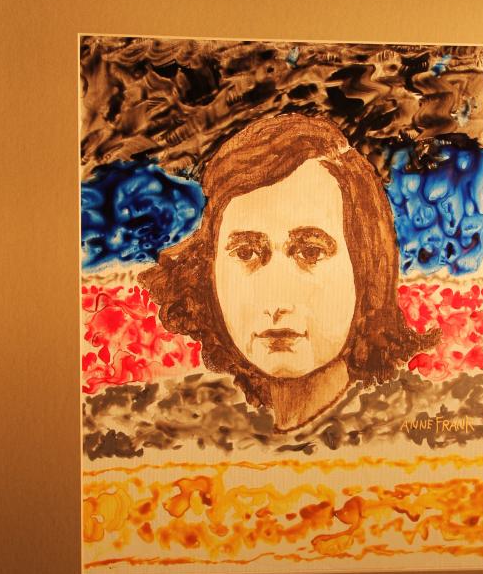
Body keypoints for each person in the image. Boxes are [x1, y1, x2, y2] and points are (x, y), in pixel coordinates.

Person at [139, 114, 437, 433]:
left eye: (310, 252)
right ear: (209, 271)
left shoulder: (400, 426)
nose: (276, 301)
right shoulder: (204, 427)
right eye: (246, 253)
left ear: (366, 268)